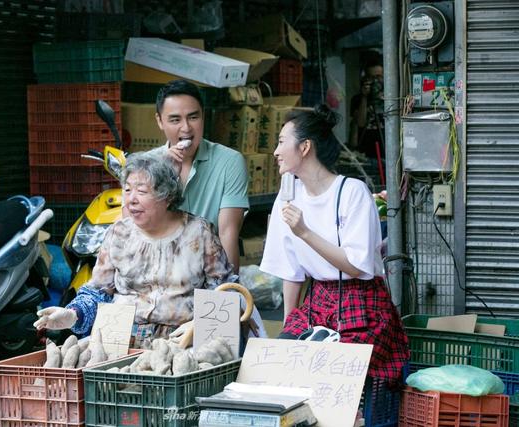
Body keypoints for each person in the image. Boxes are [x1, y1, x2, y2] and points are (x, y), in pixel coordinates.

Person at [259, 105, 409, 384]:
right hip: (316, 303)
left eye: (281, 142)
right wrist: (288, 331)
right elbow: (291, 272)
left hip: (362, 304)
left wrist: (304, 232)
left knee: (331, 375)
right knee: (281, 369)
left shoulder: (352, 191)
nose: (276, 152)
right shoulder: (288, 197)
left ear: (305, 147)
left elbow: (355, 266)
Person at [34, 152, 236, 347]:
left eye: (141, 191)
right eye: (127, 190)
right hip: (121, 341)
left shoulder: (198, 233)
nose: (131, 199)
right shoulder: (118, 233)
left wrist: (199, 326)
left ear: (166, 196)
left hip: (182, 342)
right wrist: (72, 315)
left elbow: (226, 291)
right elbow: (98, 292)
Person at [151, 79, 249, 272]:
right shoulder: (147, 165)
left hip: (209, 271)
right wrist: (164, 175)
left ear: (203, 116)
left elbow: (228, 232)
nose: (186, 128)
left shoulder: (230, 161)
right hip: (157, 272)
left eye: (193, 117)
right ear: (159, 121)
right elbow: (132, 228)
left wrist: (227, 289)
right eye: (175, 119)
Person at [349, 54, 384, 160]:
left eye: (378, 77)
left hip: (387, 148)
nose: (376, 81)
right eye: (371, 77)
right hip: (365, 151)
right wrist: (364, 97)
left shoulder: (391, 98)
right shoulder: (357, 99)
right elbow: (360, 123)